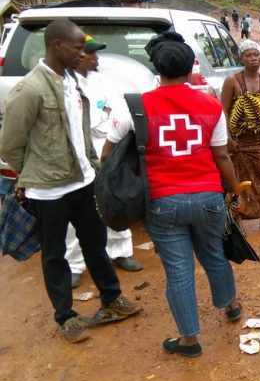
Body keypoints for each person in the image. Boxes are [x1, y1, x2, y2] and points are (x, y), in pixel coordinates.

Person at [0, 19, 140, 343]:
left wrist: (91, 166)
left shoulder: (72, 82)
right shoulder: (30, 89)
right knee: (54, 254)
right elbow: (9, 145)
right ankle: (66, 316)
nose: (83, 52)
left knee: (95, 244)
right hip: (49, 192)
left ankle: (111, 298)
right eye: (78, 47)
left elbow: (80, 130)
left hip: (83, 181)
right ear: (57, 46)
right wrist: (34, 172)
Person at [103, 31, 240, 357]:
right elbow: (222, 155)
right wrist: (233, 191)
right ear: (190, 67)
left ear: (156, 66)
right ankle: (232, 305)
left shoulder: (135, 107)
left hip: (163, 201)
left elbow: (108, 155)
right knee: (214, 255)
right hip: (208, 196)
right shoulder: (210, 104)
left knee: (179, 269)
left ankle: (189, 340)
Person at [66, 35, 142, 289]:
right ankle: (75, 264)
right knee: (77, 206)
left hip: (106, 146)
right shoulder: (64, 85)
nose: (97, 57)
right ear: (77, 56)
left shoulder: (103, 80)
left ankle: (120, 252)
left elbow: (118, 112)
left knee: (114, 197)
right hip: (76, 150)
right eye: (91, 53)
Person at [221, 40, 260, 232]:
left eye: (256, 55)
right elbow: (223, 110)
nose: (253, 59)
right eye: (248, 55)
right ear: (241, 58)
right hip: (239, 140)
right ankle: (237, 218)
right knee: (238, 179)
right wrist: (227, 138)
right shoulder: (232, 81)